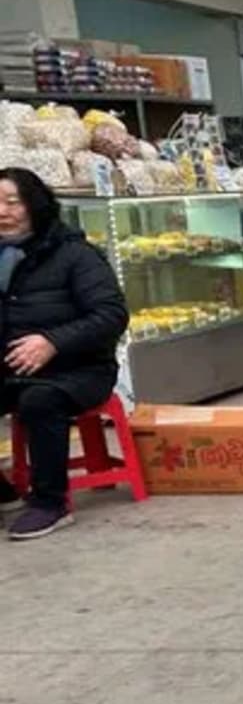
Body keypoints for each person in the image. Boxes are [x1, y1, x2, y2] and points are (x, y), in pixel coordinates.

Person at [0, 169, 130, 540]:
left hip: (80, 368)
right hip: (13, 364)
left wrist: (52, 342)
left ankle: (50, 503)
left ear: (35, 205)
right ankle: (4, 492)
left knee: (39, 399)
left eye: (13, 202)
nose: (3, 212)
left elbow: (111, 315)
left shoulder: (74, 254)